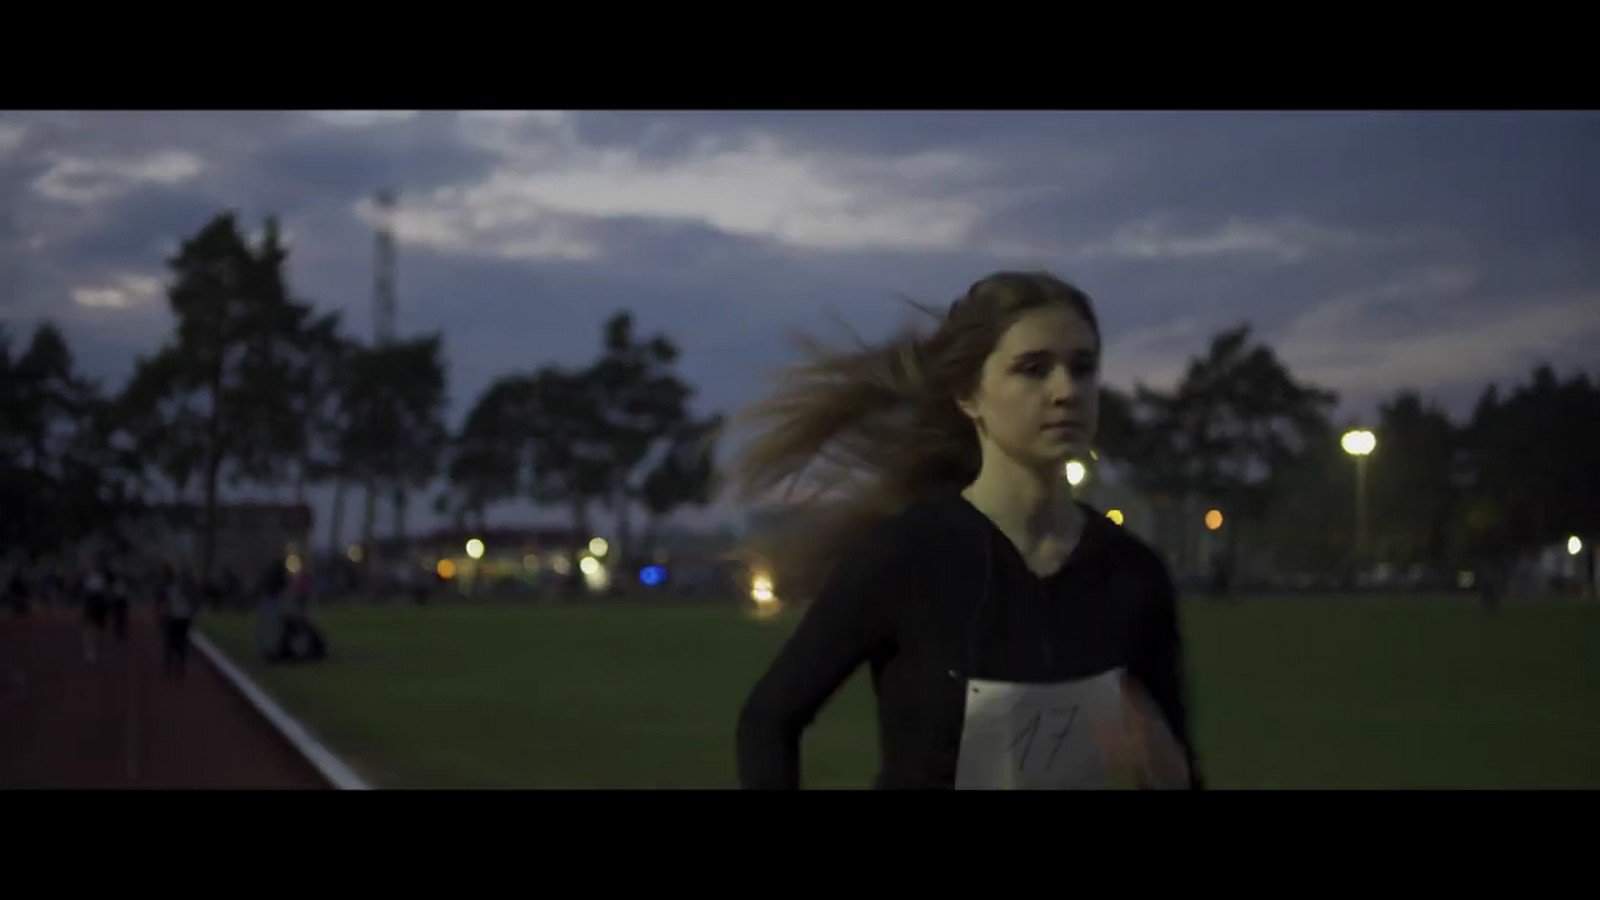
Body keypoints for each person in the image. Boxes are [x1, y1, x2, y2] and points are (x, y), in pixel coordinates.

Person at [733, 271, 1202, 790]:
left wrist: (1163, 763)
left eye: (1083, 368)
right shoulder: (908, 555)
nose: (1066, 390)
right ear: (968, 394)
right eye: (1033, 369)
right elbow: (767, 722)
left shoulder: (1133, 574)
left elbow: (1176, 766)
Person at [156, 564, 199, 679]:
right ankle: (178, 665)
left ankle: (171, 665)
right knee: (181, 642)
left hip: (176, 618)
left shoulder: (172, 588)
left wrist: (163, 616)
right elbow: (194, 604)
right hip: (182, 618)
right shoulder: (189, 589)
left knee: (171, 642)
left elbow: (165, 603)